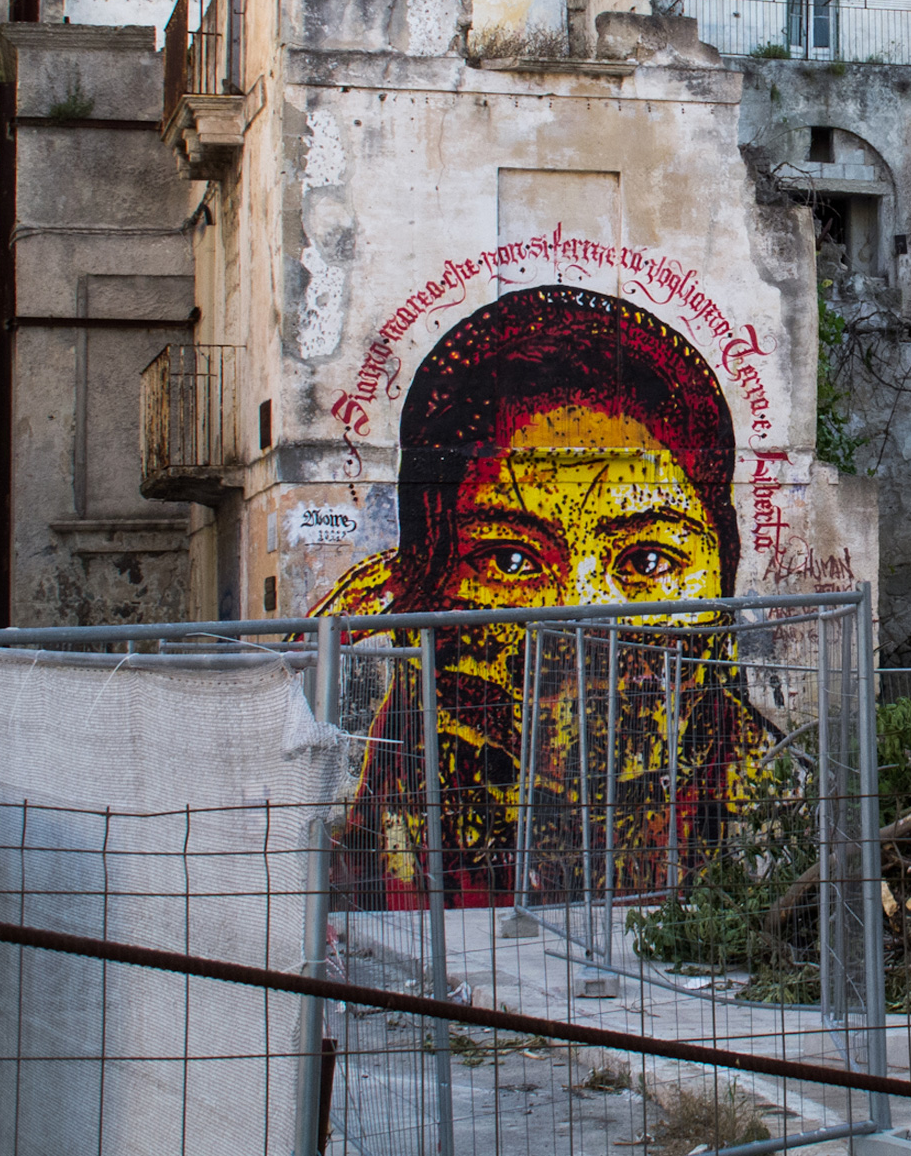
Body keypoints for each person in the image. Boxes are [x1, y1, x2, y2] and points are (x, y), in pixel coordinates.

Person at [316, 285, 777, 910]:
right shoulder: (374, 818)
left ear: (721, 569)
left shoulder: (777, 811)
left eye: (648, 560)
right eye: (510, 560)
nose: (581, 611)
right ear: (419, 585)